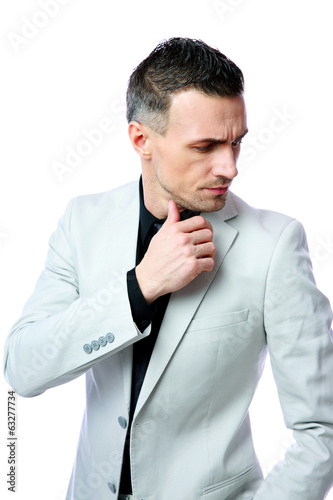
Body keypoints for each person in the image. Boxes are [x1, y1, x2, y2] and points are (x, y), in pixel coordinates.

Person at [4, 37, 333, 500]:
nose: (229, 167)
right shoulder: (83, 222)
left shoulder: (275, 245)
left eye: (236, 143)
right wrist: (140, 288)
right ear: (141, 139)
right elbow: (23, 367)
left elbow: (322, 431)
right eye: (205, 146)